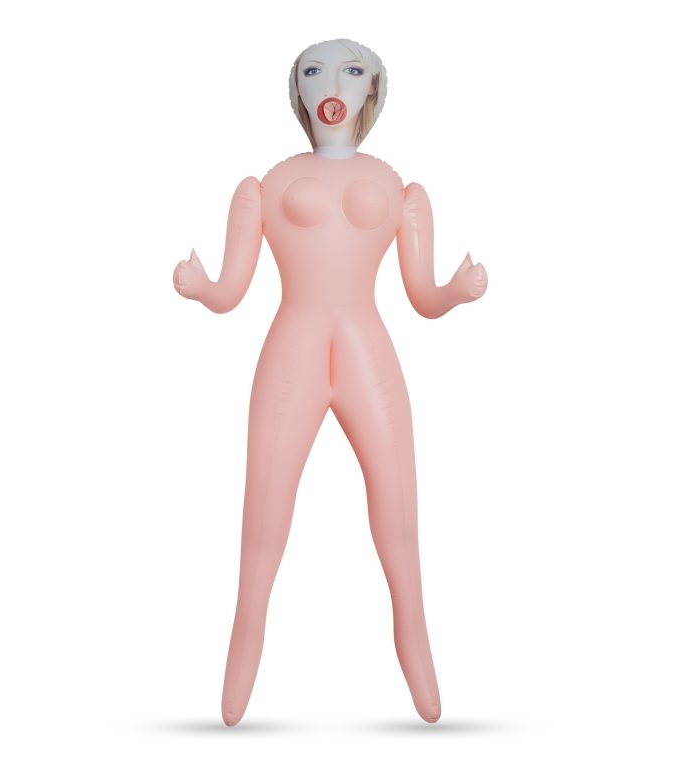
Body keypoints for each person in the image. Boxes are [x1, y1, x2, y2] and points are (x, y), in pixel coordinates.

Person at [173, 37, 488, 727]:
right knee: (263, 527)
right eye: (313, 71)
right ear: (298, 92)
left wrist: (456, 292)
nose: (332, 85)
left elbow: (422, 296)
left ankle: (424, 675)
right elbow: (231, 291)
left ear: (373, 89)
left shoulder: (401, 190)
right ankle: (236, 682)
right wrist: (200, 287)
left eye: (351, 71)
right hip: (292, 350)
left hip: (367, 351)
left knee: (399, 527)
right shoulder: (265, 187)